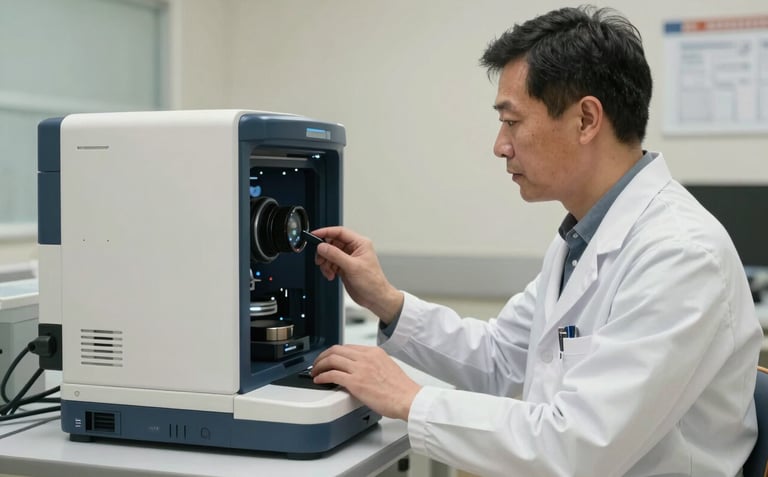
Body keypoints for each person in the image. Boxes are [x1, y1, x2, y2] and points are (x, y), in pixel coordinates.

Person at [309, 6, 762, 476]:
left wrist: (410, 399)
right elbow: (501, 357)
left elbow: (580, 447)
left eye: (512, 121)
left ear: (587, 120)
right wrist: (388, 302)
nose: (500, 145)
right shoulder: (583, 237)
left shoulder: (680, 255)